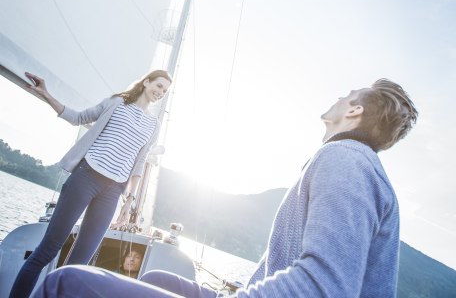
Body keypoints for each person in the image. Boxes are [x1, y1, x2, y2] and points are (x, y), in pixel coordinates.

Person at [32, 78, 418, 298]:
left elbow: (325, 287)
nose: (339, 95)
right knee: (155, 280)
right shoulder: (350, 163)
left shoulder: (346, 160)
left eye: (348, 95)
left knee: (66, 281)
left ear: (354, 112)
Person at [9, 70, 172, 298]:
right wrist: (46, 94)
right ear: (146, 82)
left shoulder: (153, 126)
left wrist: (129, 200)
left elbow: (139, 162)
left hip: (113, 191)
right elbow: (78, 117)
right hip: (86, 177)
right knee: (47, 250)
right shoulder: (117, 103)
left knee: (79, 266)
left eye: (165, 90)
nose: (160, 92)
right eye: (159, 85)